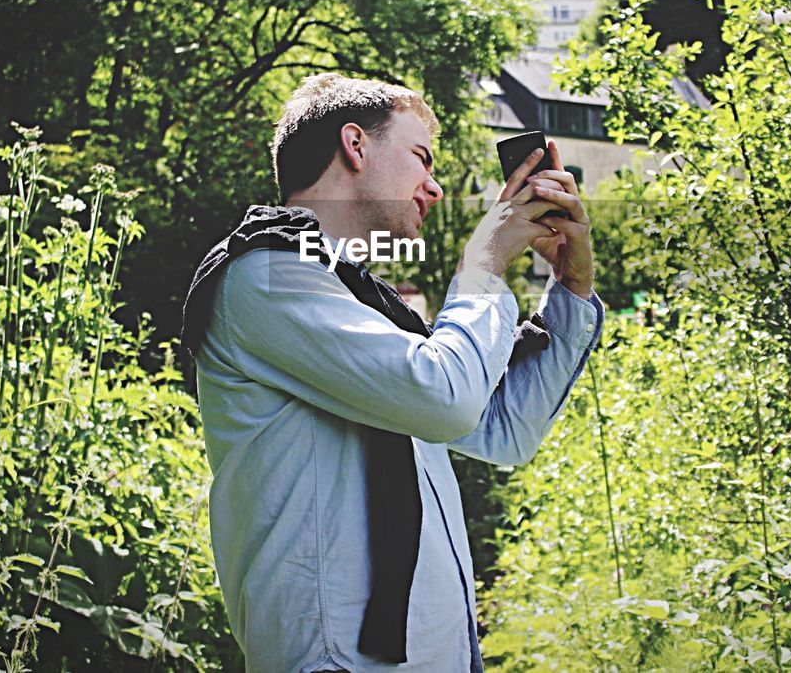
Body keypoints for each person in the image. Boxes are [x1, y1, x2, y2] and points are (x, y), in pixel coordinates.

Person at [182, 73, 604, 671]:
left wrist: (570, 289)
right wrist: (484, 260)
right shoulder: (267, 277)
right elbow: (445, 398)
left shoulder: (364, 303)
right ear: (355, 145)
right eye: (419, 157)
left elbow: (503, 429)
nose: (433, 187)